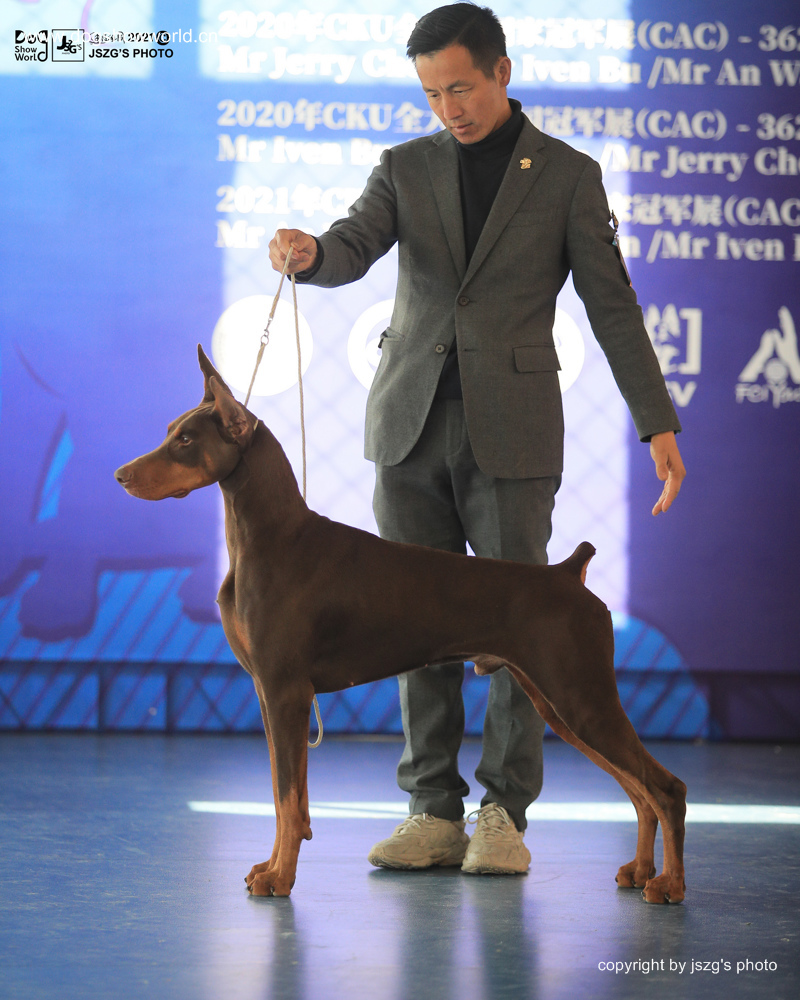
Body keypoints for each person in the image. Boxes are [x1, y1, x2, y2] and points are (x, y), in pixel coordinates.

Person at [268, 2, 685, 876]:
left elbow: (612, 306)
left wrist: (656, 422)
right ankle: (431, 809)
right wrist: (311, 253)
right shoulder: (404, 166)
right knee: (405, 622)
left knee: (522, 629)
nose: (447, 108)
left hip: (514, 431)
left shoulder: (569, 175)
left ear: (502, 71)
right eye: (431, 94)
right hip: (407, 424)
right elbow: (352, 245)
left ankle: (503, 814)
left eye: (460, 87)